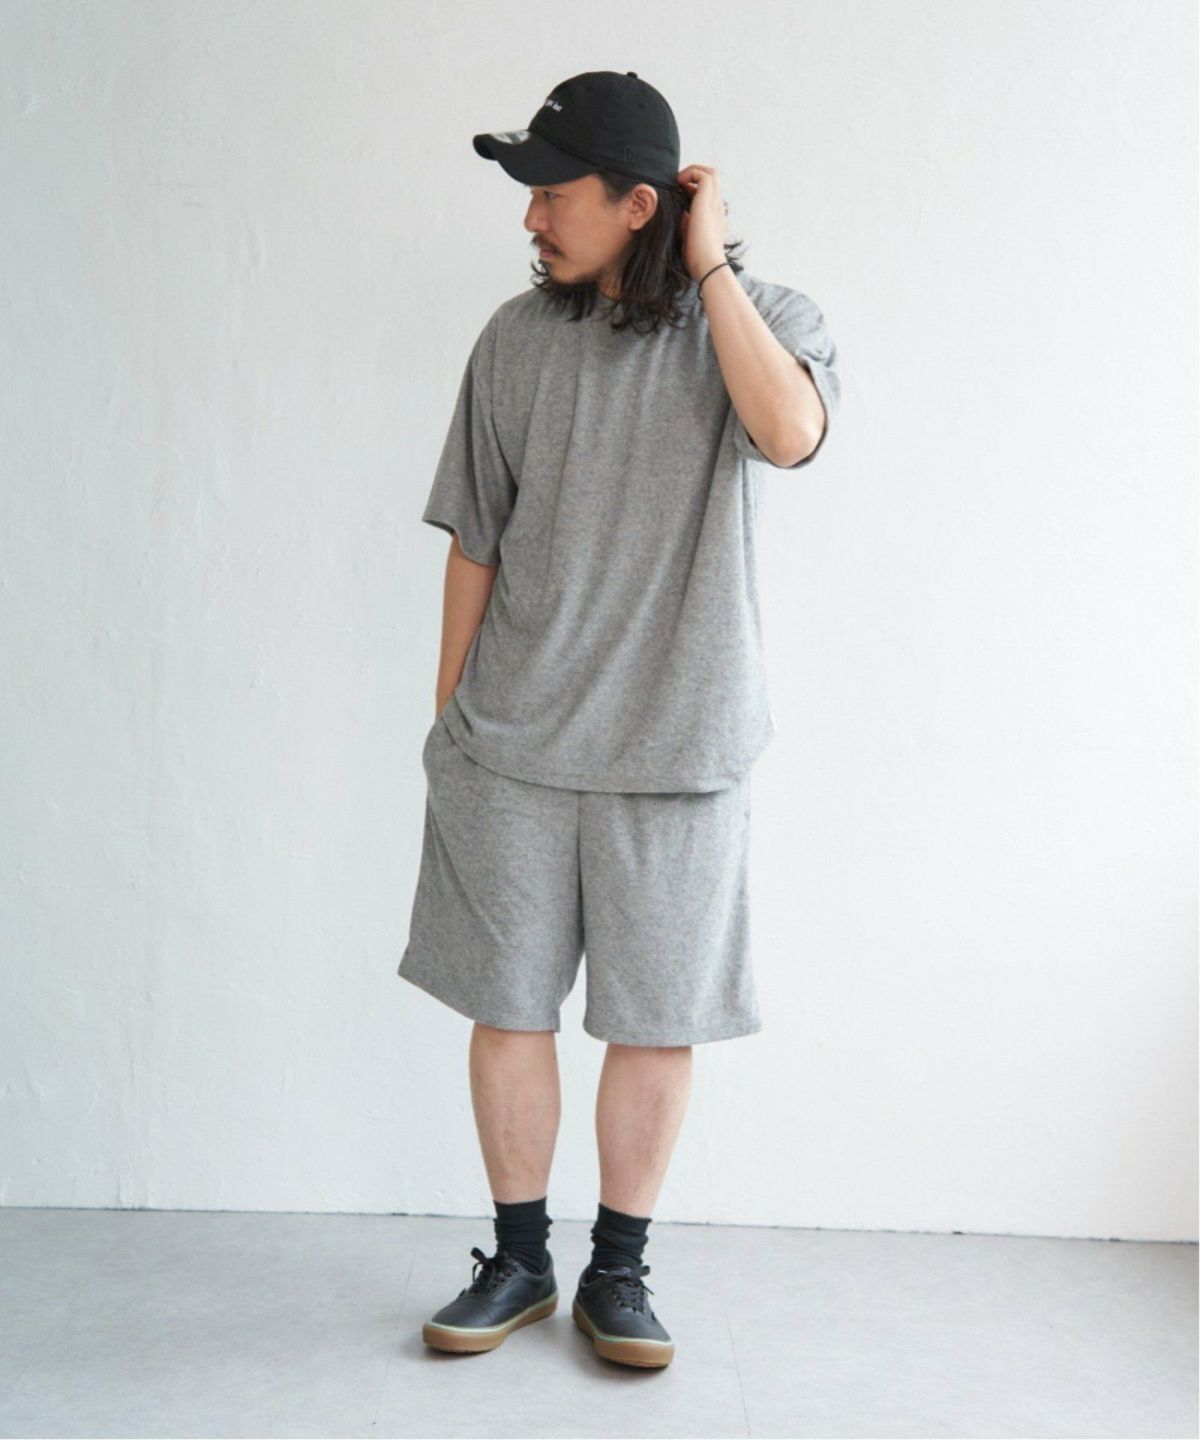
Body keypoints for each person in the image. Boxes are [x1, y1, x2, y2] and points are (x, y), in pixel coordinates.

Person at [398, 70, 840, 1369]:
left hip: (682, 751)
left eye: (554, 192)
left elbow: (791, 434)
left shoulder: (767, 320)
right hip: (510, 749)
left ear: (639, 203)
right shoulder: (513, 339)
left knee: (654, 1020)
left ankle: (620, 1272)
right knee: (507, 1009)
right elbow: (475, 538)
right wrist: (448, 722)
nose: (531, 217)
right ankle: (520, 1259)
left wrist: (711, 272)